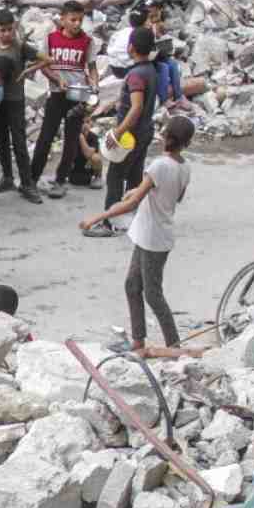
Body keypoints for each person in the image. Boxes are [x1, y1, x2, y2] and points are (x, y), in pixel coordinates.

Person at [79, 114, 193, 351]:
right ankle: (138, 340)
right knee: (132, 285)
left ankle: (174, 345)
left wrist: (97, 217)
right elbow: (174, 196)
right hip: (152, 235)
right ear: (186, 143)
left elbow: (132, 204)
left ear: (165, 136)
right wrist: (139, 190)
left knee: (153, 295)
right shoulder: (184, 167)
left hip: (153, 238)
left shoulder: (159, 165)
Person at [85, 27, 159, 237]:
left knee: (115, 176)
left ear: (131, 48)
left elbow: (136, 108)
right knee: (135, 174)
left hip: (131, 135)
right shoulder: (151, 70)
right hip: (145, 130)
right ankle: (132, 217)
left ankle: (110, 222)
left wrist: (118, 132)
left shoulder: (135, 75)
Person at [29, 0, 96, 198]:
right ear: (63, 19)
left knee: (71, 140)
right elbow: (43, 66)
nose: (77, 24)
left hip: (78, 95)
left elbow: (92, 68)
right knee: (45, 138)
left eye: (80, 20)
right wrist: (57, 79)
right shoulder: (51, 39)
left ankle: (60, 180)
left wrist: (94, 85)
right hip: (57, 94)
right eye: (73, 19)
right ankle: (32, 178)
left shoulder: (87, 41)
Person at [0, 10, 42, 202]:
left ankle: (27, 184)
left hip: (15, 101)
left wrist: (28, 71)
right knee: (1, 139)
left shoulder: (20, 47)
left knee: (19, 142)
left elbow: (46, 59)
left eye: (10, 29)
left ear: (15, 28)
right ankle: (7, 178)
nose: (7, 34)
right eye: (2, 30)